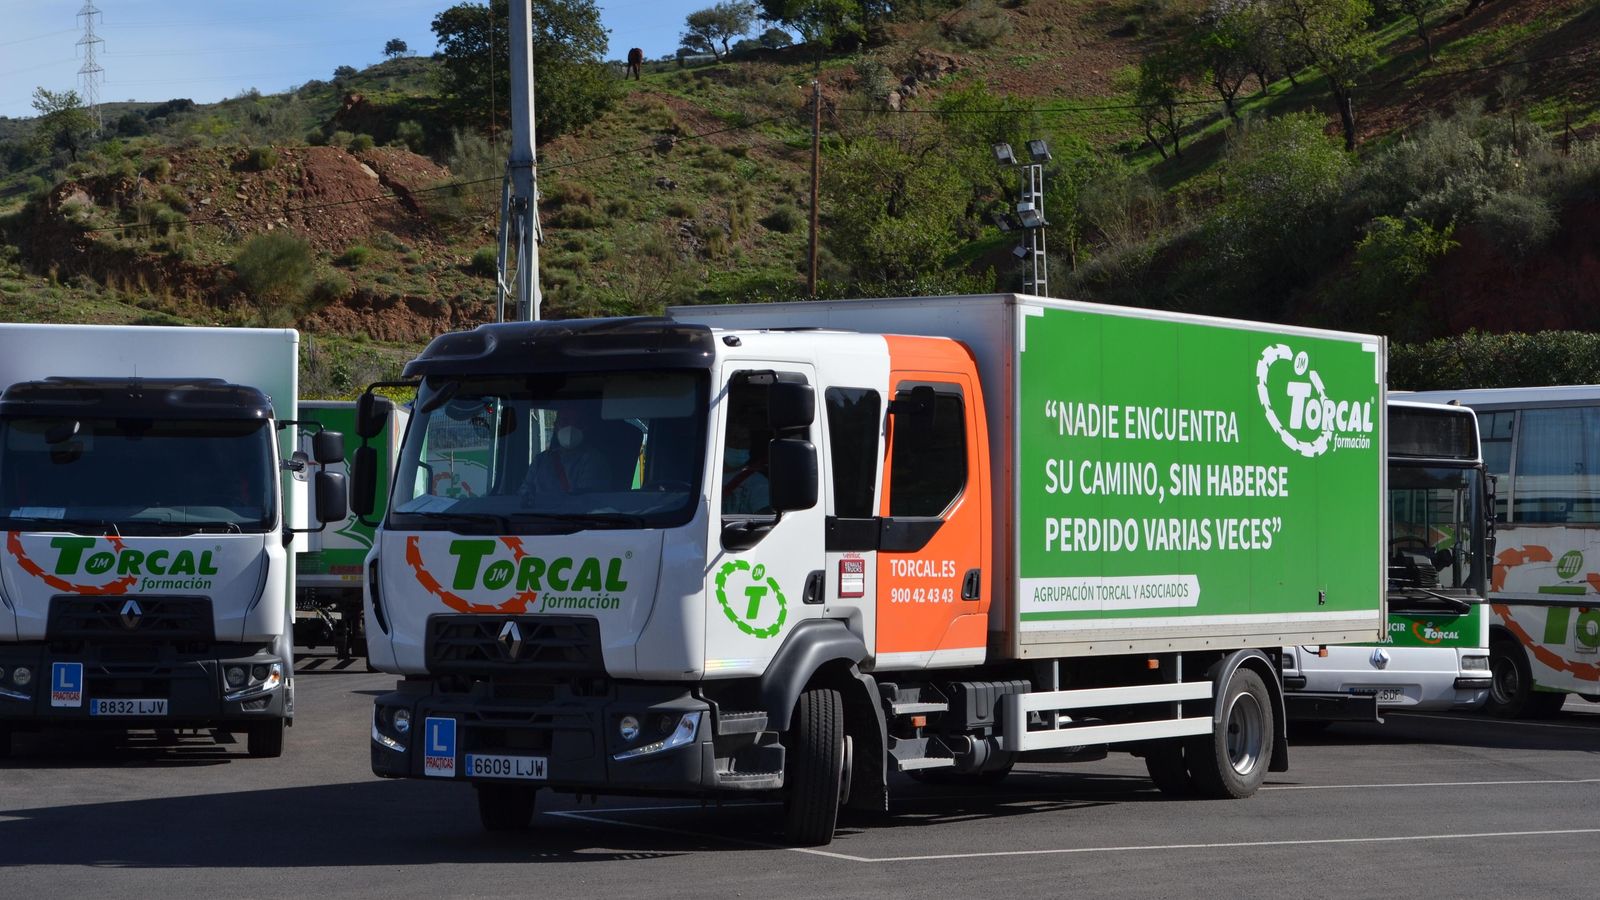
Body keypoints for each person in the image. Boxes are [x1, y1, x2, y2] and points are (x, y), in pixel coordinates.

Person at [521, 406, 608, 500]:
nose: (570, 427)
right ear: (556, 426)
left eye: (578, 423)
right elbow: (524, 493)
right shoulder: (540, 460)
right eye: (564, 421)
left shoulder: (594, 460)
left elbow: (586, 499)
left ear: (585, 427)